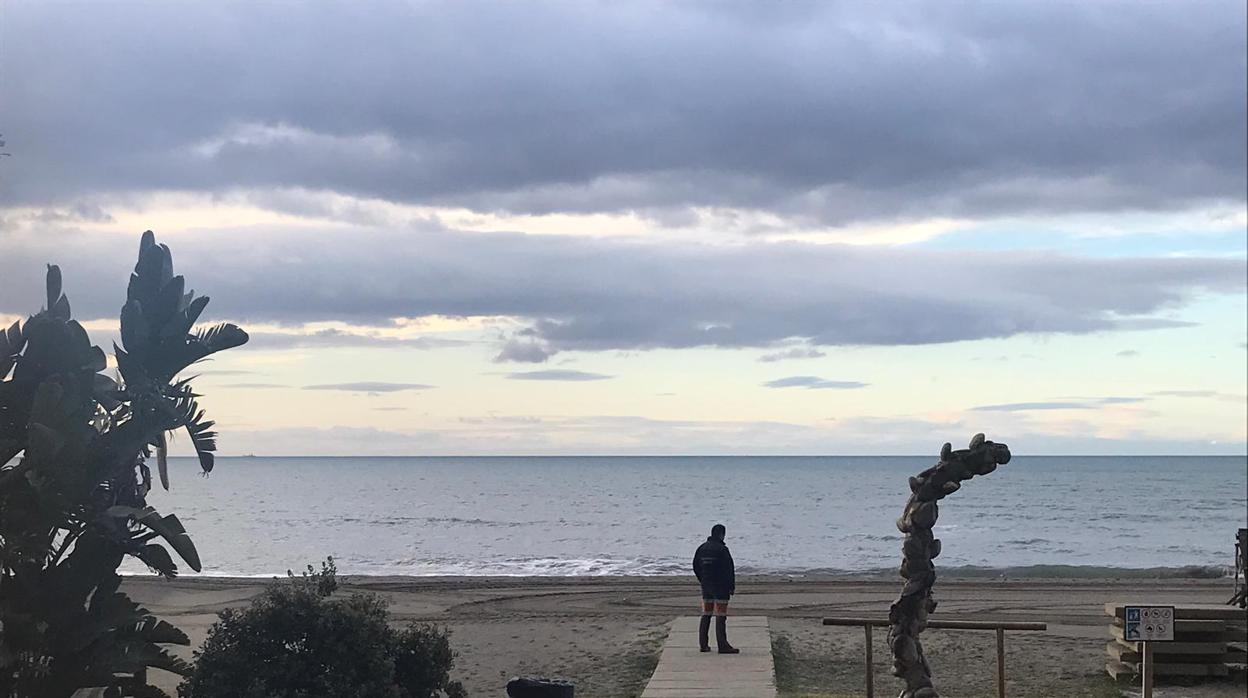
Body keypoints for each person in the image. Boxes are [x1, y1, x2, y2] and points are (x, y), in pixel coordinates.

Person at [692, 523, 738, 654]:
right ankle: (722, 645)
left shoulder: (701, 548)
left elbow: (695, 566)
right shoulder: (722, 550)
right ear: (722, 535)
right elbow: (729, 569)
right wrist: (731, 586)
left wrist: (702, 579)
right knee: (721, 616)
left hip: (706, 585)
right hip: (721, 586)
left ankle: (703, 644)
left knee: (706, 614)